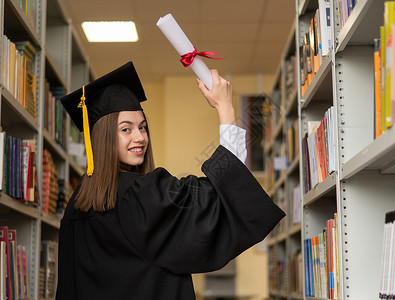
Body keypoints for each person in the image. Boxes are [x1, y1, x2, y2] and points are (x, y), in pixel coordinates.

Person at [56, 61, 285, 300]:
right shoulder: (136, 195)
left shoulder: (78, 203)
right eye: (126, 129)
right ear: (103, 137)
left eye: (143, 127)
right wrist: (225, 109)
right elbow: (218, 197)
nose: (139, 137)